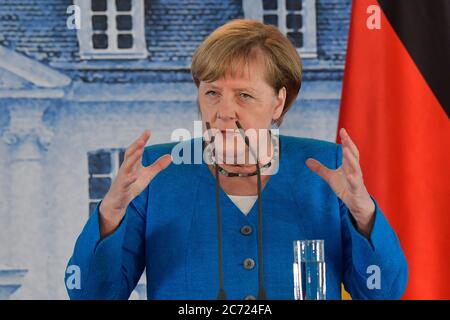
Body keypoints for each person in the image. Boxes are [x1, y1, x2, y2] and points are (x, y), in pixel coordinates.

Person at [65, 19, 408, 300]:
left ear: (278, 102)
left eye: (244, 95)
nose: (223, 112)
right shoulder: (155, 173)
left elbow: (382, 293)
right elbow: (91, 296)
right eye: (211, 92)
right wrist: (111, 212)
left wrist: (365, 216)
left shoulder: (327, 167)